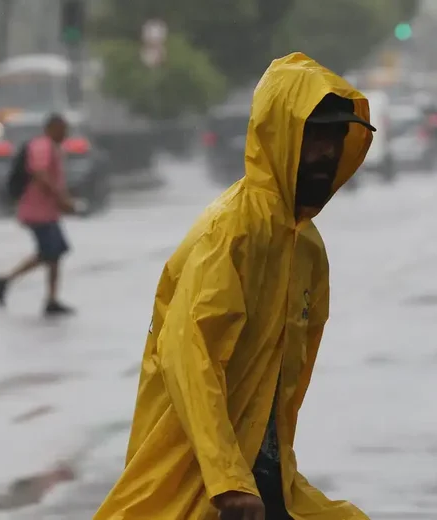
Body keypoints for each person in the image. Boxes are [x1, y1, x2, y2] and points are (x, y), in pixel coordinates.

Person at [93, 53, 376, 520]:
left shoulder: (305, 248)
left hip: (263, 478)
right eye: (313, 137)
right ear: (279, 136)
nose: (326, 152)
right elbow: (190, 353)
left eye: (333, 137)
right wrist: (227, 480)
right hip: (198, 480)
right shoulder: (231, 232)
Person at [0, 113, 76, 316]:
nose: (66, 134)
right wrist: (61, 198)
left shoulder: (50, 147)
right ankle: (5, 281)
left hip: (46, 212)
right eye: (63, 130)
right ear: (53, 128)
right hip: (37, 212)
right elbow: (40, 173)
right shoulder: (42, 146)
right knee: (50, 252)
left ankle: (51, 299)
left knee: (54, 252)